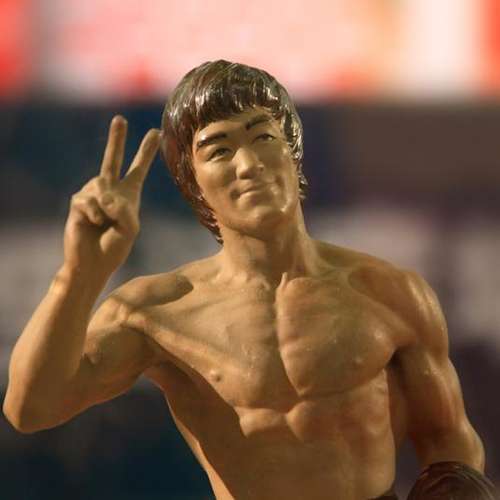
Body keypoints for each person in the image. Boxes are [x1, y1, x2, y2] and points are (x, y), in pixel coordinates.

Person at [3, 60, 498, 500]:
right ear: (194, 182)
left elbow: (448, 440)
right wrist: (80, 273)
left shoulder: (389, 292)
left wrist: (457, 486)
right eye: (219, 150)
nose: (249, 164)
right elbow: (31, 408)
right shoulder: (158, 313)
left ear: (292, 151)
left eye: (263, 137)